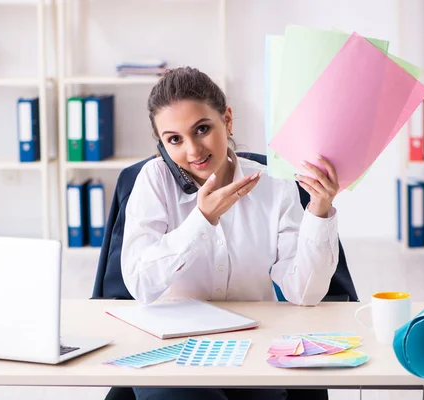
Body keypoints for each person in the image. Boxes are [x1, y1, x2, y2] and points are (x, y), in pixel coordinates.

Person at [120, 67, 340, 400]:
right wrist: (202, 219)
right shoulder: (154, 181)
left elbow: (304, 292)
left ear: (228, 120)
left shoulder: (274, 184)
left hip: (251, 348)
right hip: (174, 351)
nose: (193, 150)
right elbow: (140, 284)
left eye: (202, 129)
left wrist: (319, 212)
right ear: (162, 145)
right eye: (174, 139)